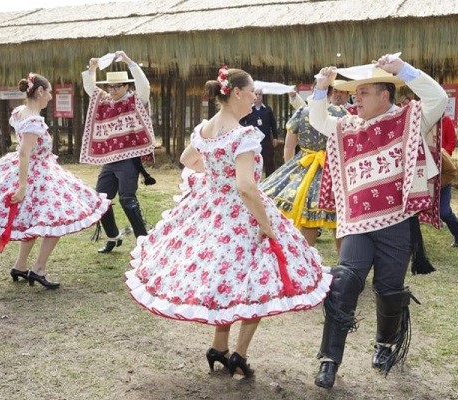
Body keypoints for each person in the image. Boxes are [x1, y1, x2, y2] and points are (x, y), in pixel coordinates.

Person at [124, 66, 331, 378]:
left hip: (213, 212)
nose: (254, 97)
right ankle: (239, 354)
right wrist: (267, 226)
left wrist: (216, 178)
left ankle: (218, 348)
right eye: (251, 92)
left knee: (227, 280)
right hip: (241, 216)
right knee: (255, 282)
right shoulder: (244, 136)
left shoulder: (207, 128)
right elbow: (246, 187)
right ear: (236, 93)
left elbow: (187, 160)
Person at [309, 54, 447, 388]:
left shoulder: (410, 119)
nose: (356, 97)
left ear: (385, 94)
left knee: (388, 289)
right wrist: (320, 89)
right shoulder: (348, 124)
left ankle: (385, 344)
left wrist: (402, 70)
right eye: (355, 93)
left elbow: (438, 98)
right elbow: (318, 122)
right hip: (357, 223)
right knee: (344, 281)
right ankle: (329, 360)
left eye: (364, 92)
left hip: (397, 221)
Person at [0, 73, 110, 289]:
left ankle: (21, 265)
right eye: (50, 92)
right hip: (37, 174)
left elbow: (24, 150)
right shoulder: (33, 120)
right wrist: (22, 185)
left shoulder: (20, 112)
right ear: (41, 92)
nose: (51, 97)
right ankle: (39, 269)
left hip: (35, 171)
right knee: (56, 220)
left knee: (34, 220)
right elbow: (25, 153)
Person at [259, 80, 351, 248]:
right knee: (339, 218)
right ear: (331, 92)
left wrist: (291, 170)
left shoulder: (302, 111)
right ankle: (346, 266)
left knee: (308, 217)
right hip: (333, 167)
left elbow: (289, 145)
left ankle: (304, 260)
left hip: (304, 164)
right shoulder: (342, 113)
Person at [80, 51, 156, 253]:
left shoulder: (135, 99)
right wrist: (92, 69)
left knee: (127, 198)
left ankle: (142, 240)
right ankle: (113, 237)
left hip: (129, 159)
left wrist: (130, 62)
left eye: (116, 86)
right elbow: (90, 88)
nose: (111, 90)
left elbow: (144, 85)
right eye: (109, 86)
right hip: (110, 159)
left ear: (126, 86)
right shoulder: (104, 101)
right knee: (101, 200)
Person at [439, 117, 458, 247]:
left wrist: (445, 154)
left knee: (444, 212)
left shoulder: (445, 120)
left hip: (442, 183)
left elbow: (451, 172)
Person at [240, 88, 278, 177]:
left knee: (269, 161)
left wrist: (275, 137)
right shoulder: (248, 109)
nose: (258, 96)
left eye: (260, 94)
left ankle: (270, 181)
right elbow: (241, 122)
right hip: (252, 140)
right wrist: (248, 130)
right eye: (256, 94)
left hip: (266, 140)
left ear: (262, 96)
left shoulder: (267, 109)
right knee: (253, 161)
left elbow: (273, 123)